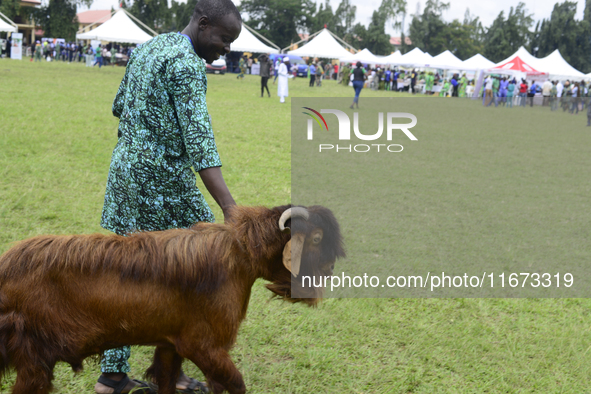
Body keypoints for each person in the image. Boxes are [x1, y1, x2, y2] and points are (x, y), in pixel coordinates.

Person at [99, 0, 241, 393]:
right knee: (191, 268)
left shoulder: (148, 48)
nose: (226, 48)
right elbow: (200, 143)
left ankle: (112, 377)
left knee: (125, 273)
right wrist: (231, 210)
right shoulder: (187, 65)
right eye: (224, 38)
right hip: (161, 180)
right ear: (203, 22)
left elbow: (117, 107)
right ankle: (171, 371)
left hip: (124, 171)